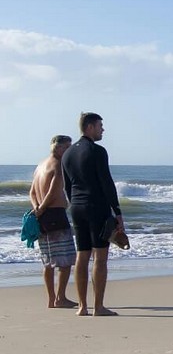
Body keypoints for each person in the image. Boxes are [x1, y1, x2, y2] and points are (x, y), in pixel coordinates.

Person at [61, 112, 125, 316]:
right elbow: (106, 182)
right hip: (96, 206)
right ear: (89, 127)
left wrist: (74, 204)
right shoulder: (97, 151)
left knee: (82, 254)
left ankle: (82, 306)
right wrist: (117, 212)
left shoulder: (67, 153)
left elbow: (67, 186)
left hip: (77, 207)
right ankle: (98, 307)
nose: (102, 130)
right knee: (100, 257)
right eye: (100, 126)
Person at [29, 135, 78, 309]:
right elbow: (53, 191)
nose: (69, 151)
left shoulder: (40, 165)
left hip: (42, 217)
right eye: (67, 147)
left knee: (48, 261)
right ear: (58, 148)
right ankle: (60, 298)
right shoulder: (58, 165)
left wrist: (37, 208)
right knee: (64, 261)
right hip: (55, 214)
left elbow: (32, 192)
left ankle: (51, 299)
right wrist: (42, 208)